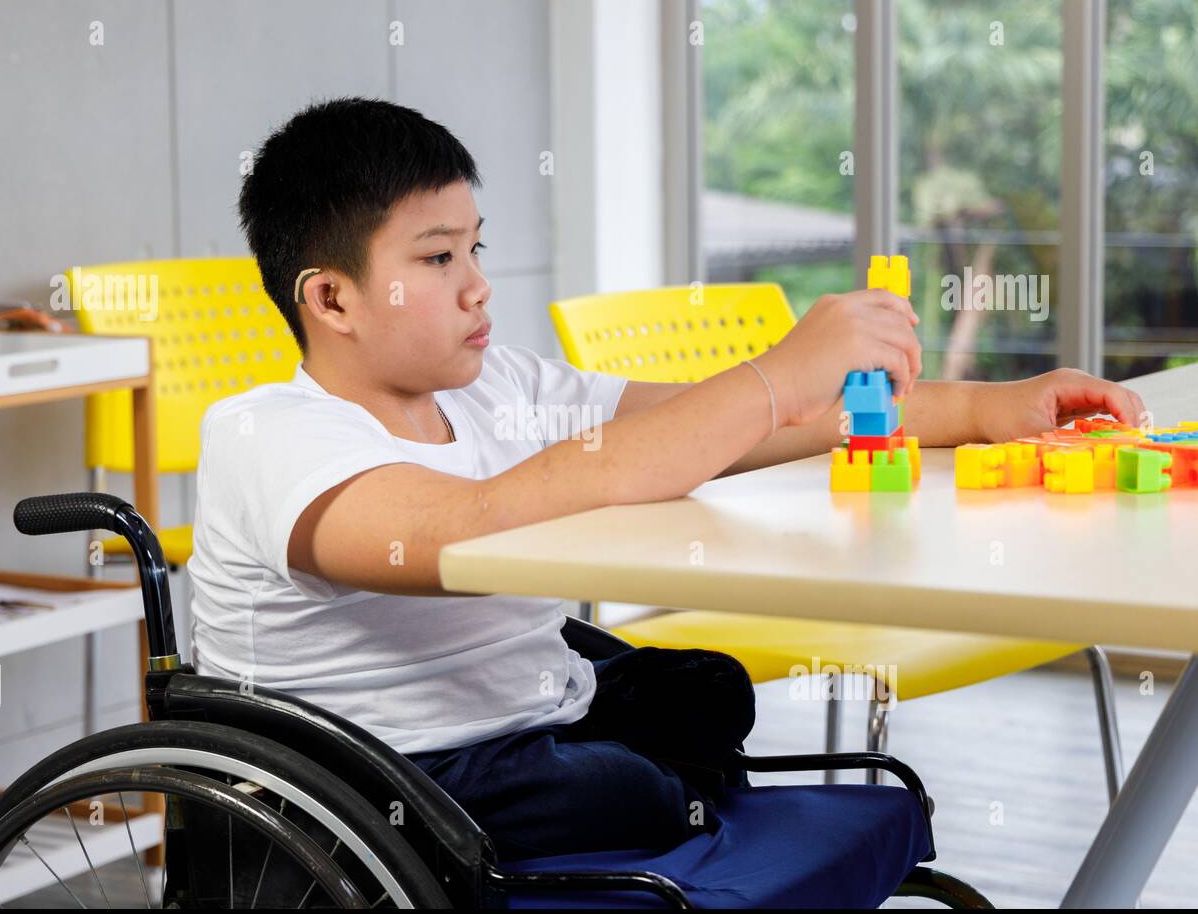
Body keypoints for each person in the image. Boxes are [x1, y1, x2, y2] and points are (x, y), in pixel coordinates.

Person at [186, 96, 1145, 861]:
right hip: (390, 770)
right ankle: (672, 813)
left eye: (475, 246)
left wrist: (987, 410)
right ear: (331, 297)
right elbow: (460, 528)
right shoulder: (270, 434)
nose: (479, 282)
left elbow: (714, 430)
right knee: (631, 788)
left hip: (526, 700)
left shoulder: (501, 384)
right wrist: (773, 373)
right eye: (438, 258)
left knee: (711, 690)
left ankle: (669, 802)